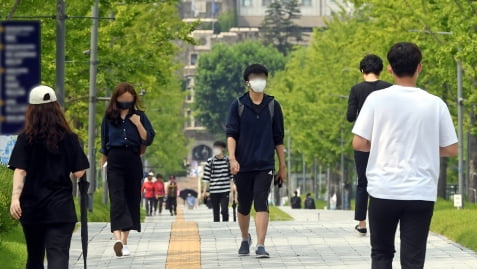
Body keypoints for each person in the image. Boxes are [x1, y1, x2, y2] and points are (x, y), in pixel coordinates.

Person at [352, 42, 458, 268]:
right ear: (420, 68)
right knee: (413, 259)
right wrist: (425, 146)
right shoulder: (435, 104)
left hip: (383, 190)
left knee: (381, 254)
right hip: (420, 192)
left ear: (389, 69)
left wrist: (382, 144)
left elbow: (359, 143)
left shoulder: (376, 100)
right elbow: (451, 148)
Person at [8, 85, 89, 268]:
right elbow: (79, 172)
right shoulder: (69, 138)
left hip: (32, 207)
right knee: (58, 256)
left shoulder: (25, 138)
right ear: (56, 109)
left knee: (35, 257)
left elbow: (20, 171)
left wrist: (15, 199)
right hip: (61, 208)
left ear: (31, 110)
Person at [226, 63, 286, 258]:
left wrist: (282, 166)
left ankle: (261, 244)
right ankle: (245, 238)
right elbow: (231, 135)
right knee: (243, 204)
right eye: (255, 78)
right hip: (242, 164)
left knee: (261, 201)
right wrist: (232, 158)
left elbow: (279, 139)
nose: (259, 81)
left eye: (262, 77)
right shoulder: (239, 105)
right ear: (247, 82)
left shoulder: (272, 106)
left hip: (264, 164)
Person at [100, 82, 155, 257]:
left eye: (129, 99)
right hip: (114, 160)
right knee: (117, 198)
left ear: (133, 99)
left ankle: (124, 242)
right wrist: (103, 163)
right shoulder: (109, 118)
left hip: (132, 159)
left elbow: (148, 139)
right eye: (122, 99)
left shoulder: (140, 116)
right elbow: (104, 142)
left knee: (131, 199)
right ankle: (117, 238)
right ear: (116, 99)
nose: (125, 101)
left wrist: (138, 124)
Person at [346, 54, 393, 236]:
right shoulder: (389, 88)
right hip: (385, 141)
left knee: (363, 181)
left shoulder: (356, 89)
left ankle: (362, 222)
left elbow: (350, 116)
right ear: (380, 70)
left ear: (362, 71)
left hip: (364, 140)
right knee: (385, 179)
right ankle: (385, 220)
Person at [201, 141, 234, 222]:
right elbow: (206, 177)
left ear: (223, 149)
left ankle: (225, 224)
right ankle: (217, 225)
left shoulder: (227, 161)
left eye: (218, 147)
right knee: (216, 211)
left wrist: (233, 188)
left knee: (224, 210)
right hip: (214, 190)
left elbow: (231, 176)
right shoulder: (210, 161)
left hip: (225, 190)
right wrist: (204, 191)